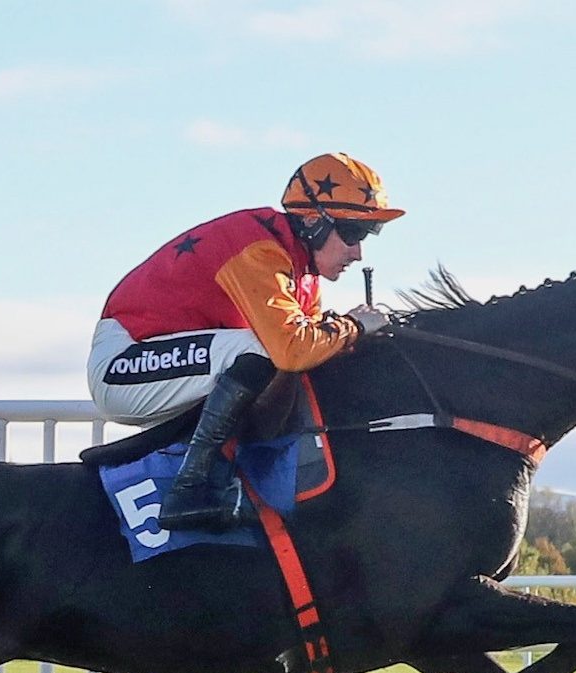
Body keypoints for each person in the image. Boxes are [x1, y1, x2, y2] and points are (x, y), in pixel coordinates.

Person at [88, 152, 402, 531]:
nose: (358, 252)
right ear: (313, 222)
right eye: (352, 233)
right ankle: (190, 490)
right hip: (124, 365)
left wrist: (352, 336)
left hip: (166, 364)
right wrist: (352, 325)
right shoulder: (259, 248)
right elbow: (291, 350)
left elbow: (314, 348)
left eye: (367, 235)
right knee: (265, 350)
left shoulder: (301, 273)